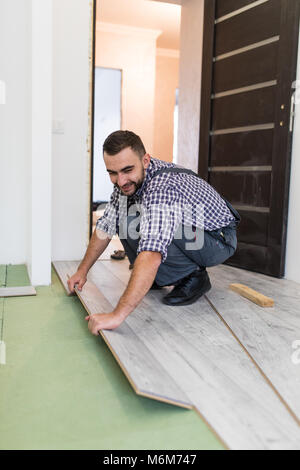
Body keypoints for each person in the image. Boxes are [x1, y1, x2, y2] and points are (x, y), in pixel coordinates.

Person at [68, 130, 240, 334]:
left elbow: (151, 253)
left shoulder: (162, 187)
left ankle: (195, 277)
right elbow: (106, 227)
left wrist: (116, 316)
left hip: (217, 239)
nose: (121, 180)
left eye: (127, 170)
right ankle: (159, 279)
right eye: (112, 173)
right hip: (194, 233)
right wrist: (82, 271)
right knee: (126, 218)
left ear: (146, 160)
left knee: (155, 225)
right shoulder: (126, 183)